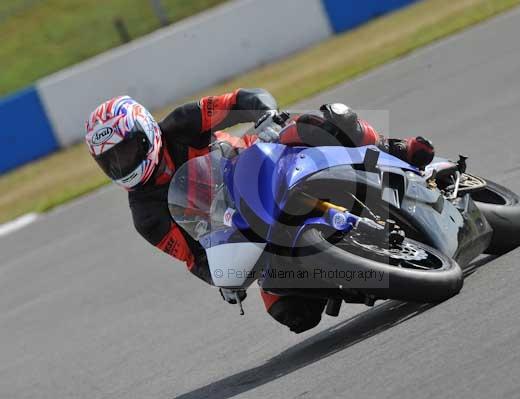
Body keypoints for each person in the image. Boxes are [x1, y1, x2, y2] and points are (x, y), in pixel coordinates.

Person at [85, 89, 435, 333]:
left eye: (125, 151)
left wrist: (263, 113)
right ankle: (362, 275)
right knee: (294, 314)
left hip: (267, 165)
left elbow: (240, 100)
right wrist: (224, 279)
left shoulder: (182, 123)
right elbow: (195, 258)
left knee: (319, 123)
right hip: (243, 225)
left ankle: (395, 150)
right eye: (109, 161)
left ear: (145, 131)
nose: (120, 164)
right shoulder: (146, 215)